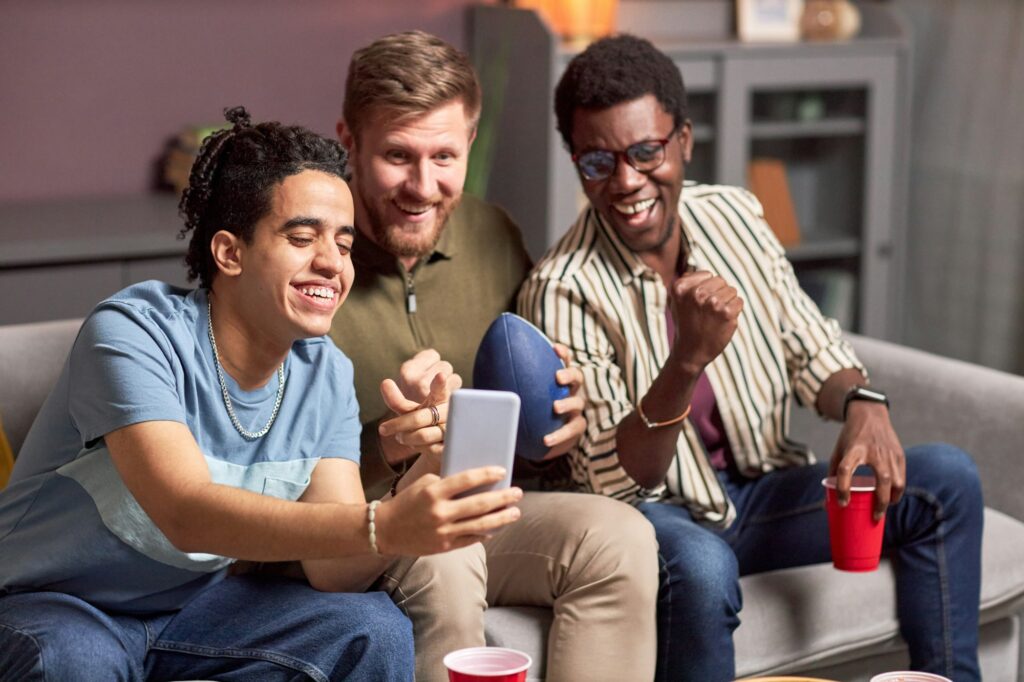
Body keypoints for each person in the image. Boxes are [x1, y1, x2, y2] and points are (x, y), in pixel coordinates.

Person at [518, 35, 984, 682]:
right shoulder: (561, 288)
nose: (626, 181)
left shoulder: (733, 215)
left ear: (683, 140)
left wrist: (863, 402)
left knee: (946, 480)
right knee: (703, 565)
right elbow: (617, 481)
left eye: (646, 151)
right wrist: (685, 360)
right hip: (657, 516)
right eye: (598, 162)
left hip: (758, 494)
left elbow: (807, 344)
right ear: (575, 160)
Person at [0, 107, 524, 681]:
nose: (331, 263)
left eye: (344, 245)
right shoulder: (133, 332)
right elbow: (184, 510)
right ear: (230, 252)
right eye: (302, 238)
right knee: (74, 658)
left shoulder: (324, 372)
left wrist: (431, 463)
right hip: (53, 604)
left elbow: (331, 569)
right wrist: (383, 524)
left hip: (191, 608)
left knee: (369, 629)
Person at [329, 31, 659, 682]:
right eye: (398, 156)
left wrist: (572, 402)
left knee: (620, 536)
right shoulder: (311, 251)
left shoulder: (492, 233)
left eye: (444, 157)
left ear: (470, 144)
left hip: (488, 503)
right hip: (367, 523)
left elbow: (536, 375)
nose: (423, 187)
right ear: (349, 141)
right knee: (443, 558)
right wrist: (385, 449)